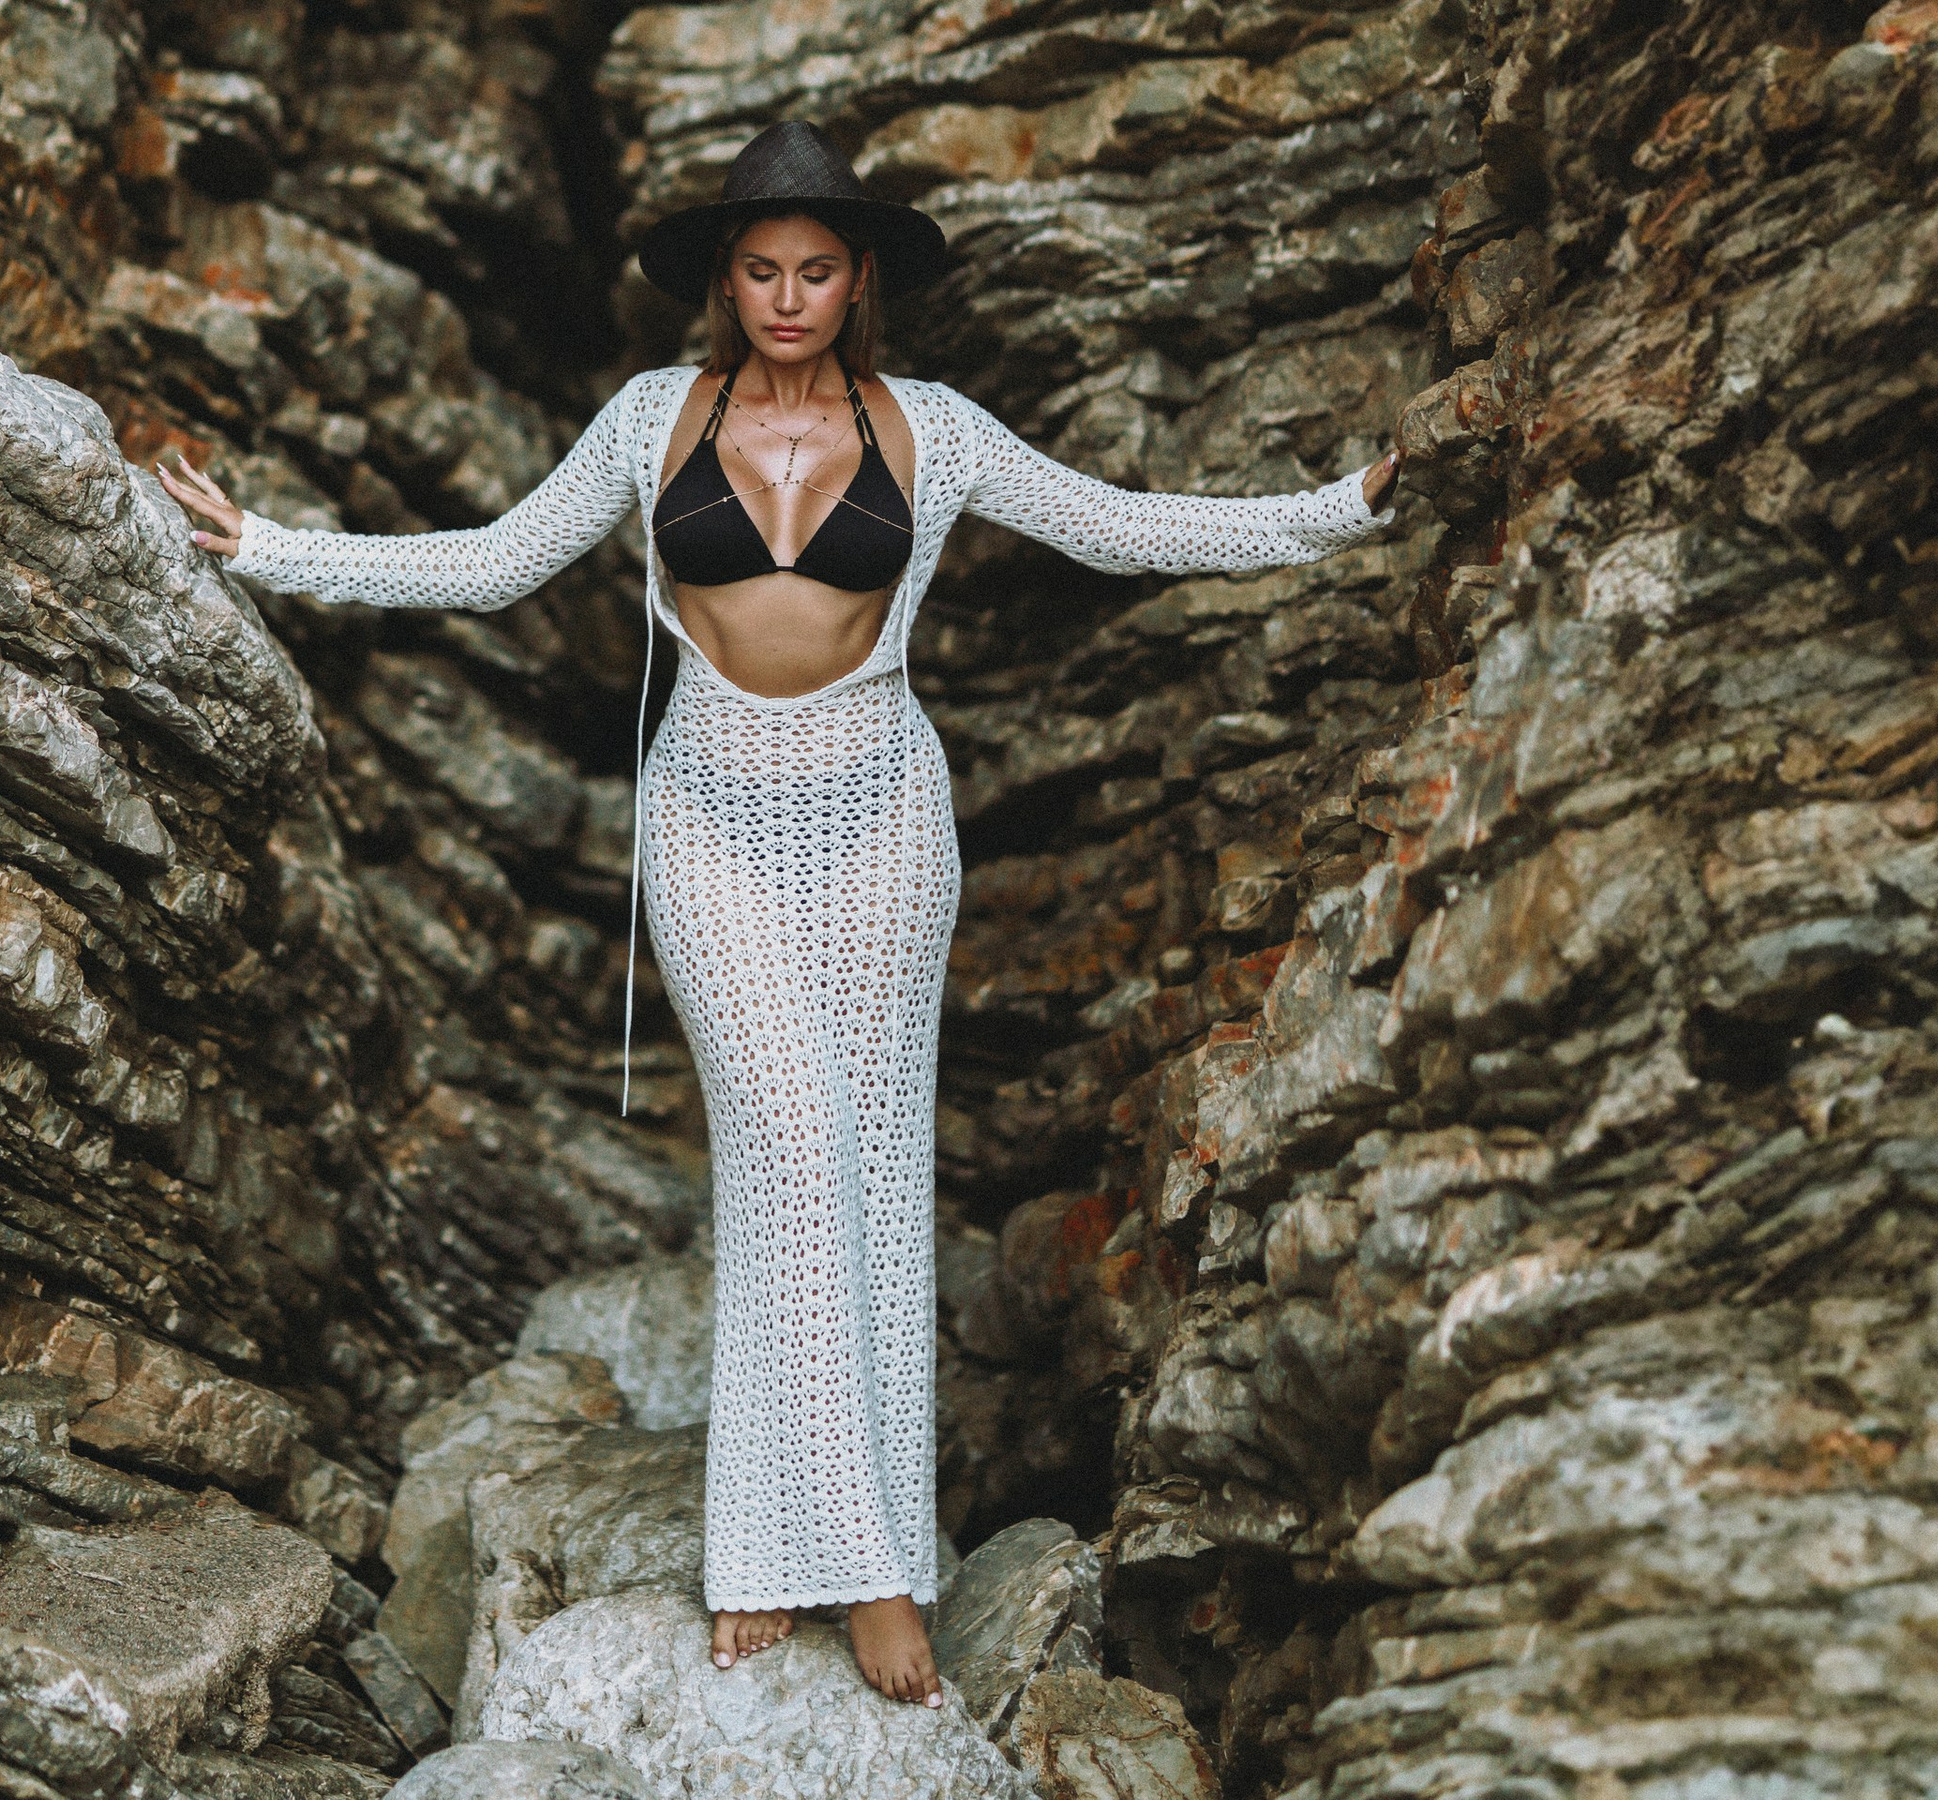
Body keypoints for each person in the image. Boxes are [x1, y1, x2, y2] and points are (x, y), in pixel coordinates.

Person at [159, 121, 1402, 1712]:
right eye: (762, 271)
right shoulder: (648, 418)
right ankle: (835, 1562)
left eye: (818, 270)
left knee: (872, 1174)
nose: (790, 297)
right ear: (726, 281)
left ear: (859, 277)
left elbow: (1120, 524)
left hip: (883, 813)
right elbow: (494, 563)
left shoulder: (934, 429)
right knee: (790, 1151)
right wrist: (268, 546)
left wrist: (1340, 508)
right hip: (712, 815)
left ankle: (830, 1551)